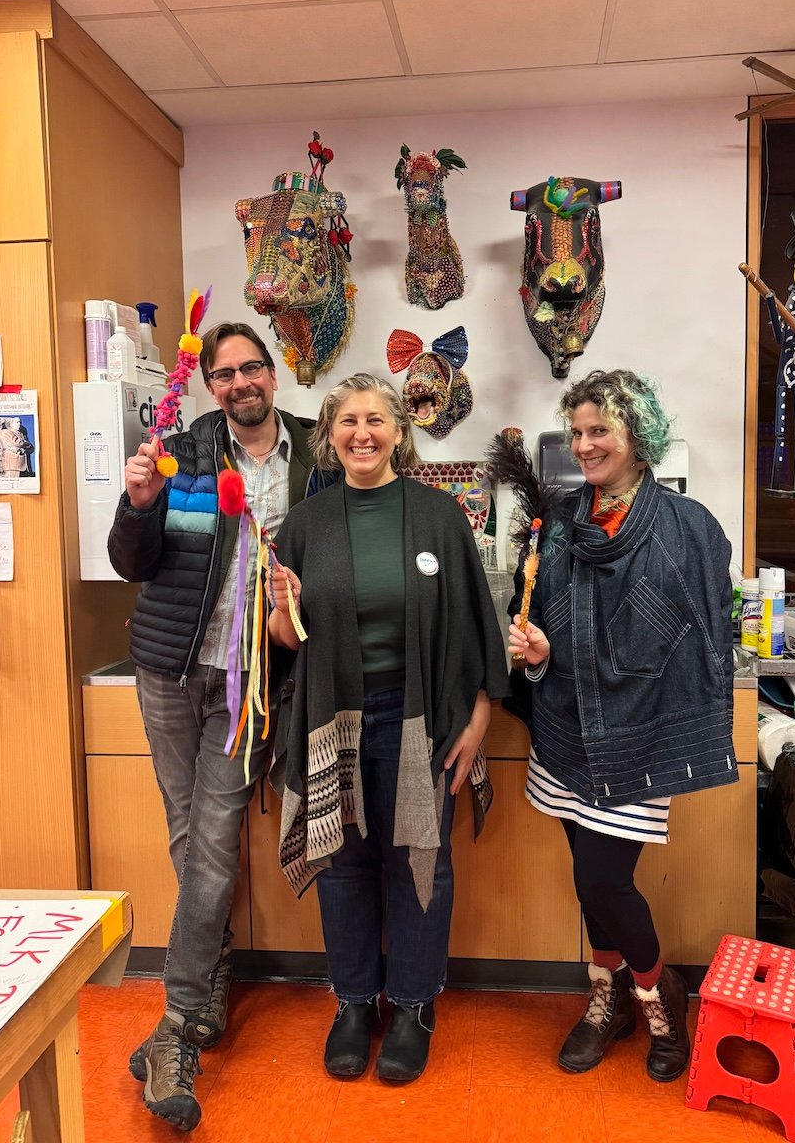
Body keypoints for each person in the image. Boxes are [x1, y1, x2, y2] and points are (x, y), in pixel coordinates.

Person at [108, 322, 320, 1131]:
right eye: (224, 373)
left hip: (251, 681)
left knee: (214, 838)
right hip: (168, 667)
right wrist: (137, 506)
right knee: (188, 832)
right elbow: (134, 560)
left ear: (273, 373)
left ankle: (176, 1022)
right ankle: (211, 975)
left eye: (251, 368)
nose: (238, 383)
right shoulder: (181, 453)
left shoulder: (314, 459)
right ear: (211, 387)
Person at [268, 372, 509, 1083]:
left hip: (420, 721)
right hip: (333, 719)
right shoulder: (306, 525)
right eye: (347, 422)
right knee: (342, 864)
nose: (361, 433)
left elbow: (476, 627)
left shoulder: (437, 517)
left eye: (375, 420)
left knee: (420, 864)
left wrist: (479, 721)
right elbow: (286, 639)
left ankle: (410, 1004)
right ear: (329, 437)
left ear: (400, 432)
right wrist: (282, 609)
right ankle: (351, 1002)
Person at [508, 369, 735, 1084]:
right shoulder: (562, 522)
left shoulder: (687, 527)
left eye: (598, 430)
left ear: (639, 436)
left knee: (603, 878)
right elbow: (540, 622)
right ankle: (608, 1001)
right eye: (576, 433)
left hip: (641, 734)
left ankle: (656, 993)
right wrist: (540, 654)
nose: (584, 446)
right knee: (590, 882)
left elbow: (703, 633)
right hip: (568, 733)